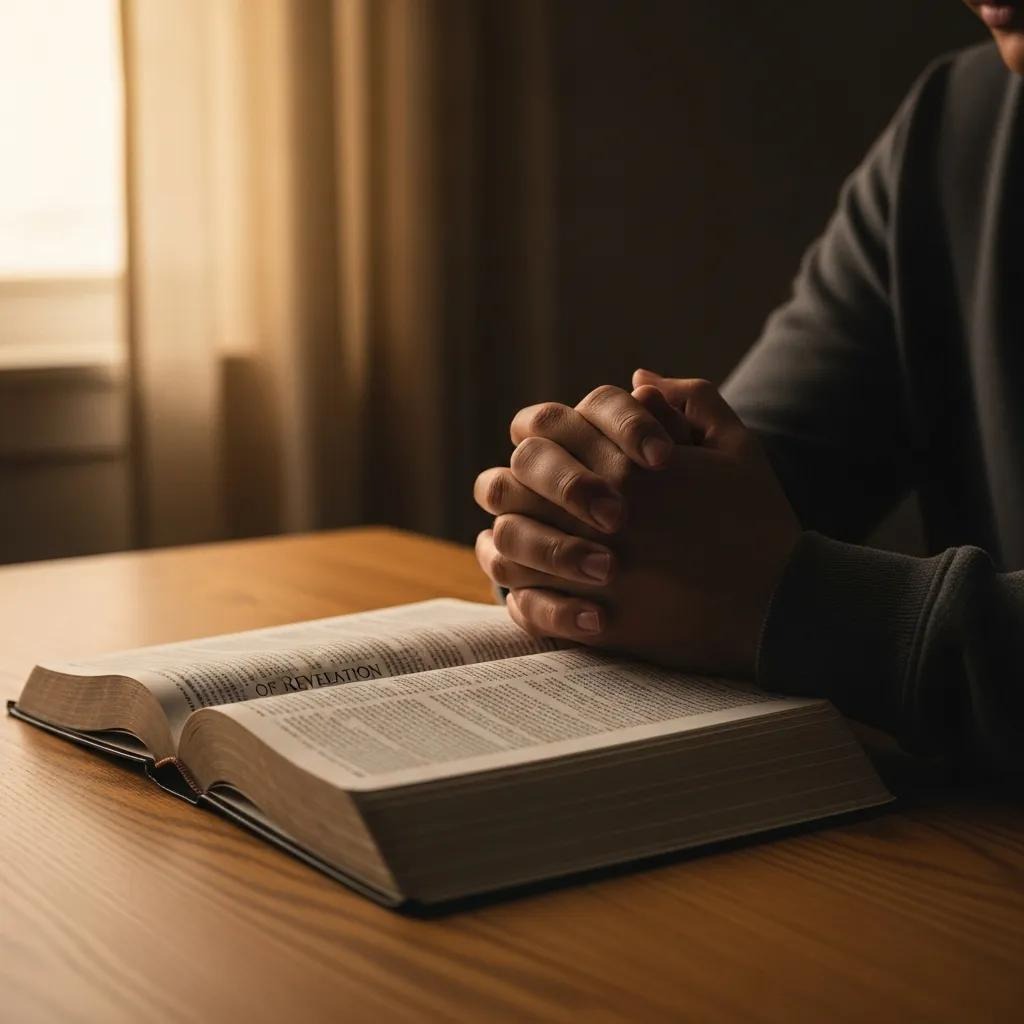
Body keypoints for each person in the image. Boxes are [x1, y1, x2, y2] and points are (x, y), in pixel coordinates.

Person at [473, 2, 1024, 777]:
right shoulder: (954, 128)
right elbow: (731, 504)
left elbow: (748, 584)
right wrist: (598, 517)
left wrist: (794, 605)